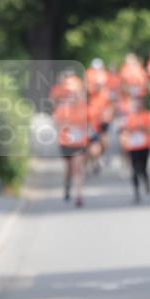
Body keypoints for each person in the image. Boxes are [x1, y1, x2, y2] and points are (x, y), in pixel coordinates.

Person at [52, 74, 88, 207]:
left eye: (76, 94)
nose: (73, 97)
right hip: (65, 142)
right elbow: (56, 123)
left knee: (78, 169)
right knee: (68, 169)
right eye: (71, 94)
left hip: (79, 142)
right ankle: (67, 187)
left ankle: (79, 195)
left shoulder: (83, 108)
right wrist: (65, 126)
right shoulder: (62, 109)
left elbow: (88, 123)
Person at [119, 95, 150, 203]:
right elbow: (124, 131)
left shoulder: (147, 115)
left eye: (140, 103)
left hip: (144, 145)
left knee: (143, 168)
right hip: (133, 146)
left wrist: (142, 127)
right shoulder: (129, 117)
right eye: (136, 103)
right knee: (134, 169)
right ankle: (136, 192)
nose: (138, 105)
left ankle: (146, 180)